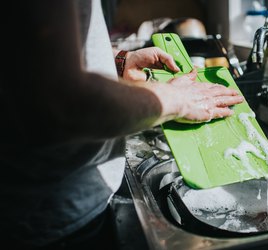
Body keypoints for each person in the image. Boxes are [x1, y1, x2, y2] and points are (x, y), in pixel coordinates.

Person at [0, 0, 243, 249]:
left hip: (61, 208)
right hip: (47, 221)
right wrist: (177, 100)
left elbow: (29, 57)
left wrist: (118, 61)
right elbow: (58, 100)